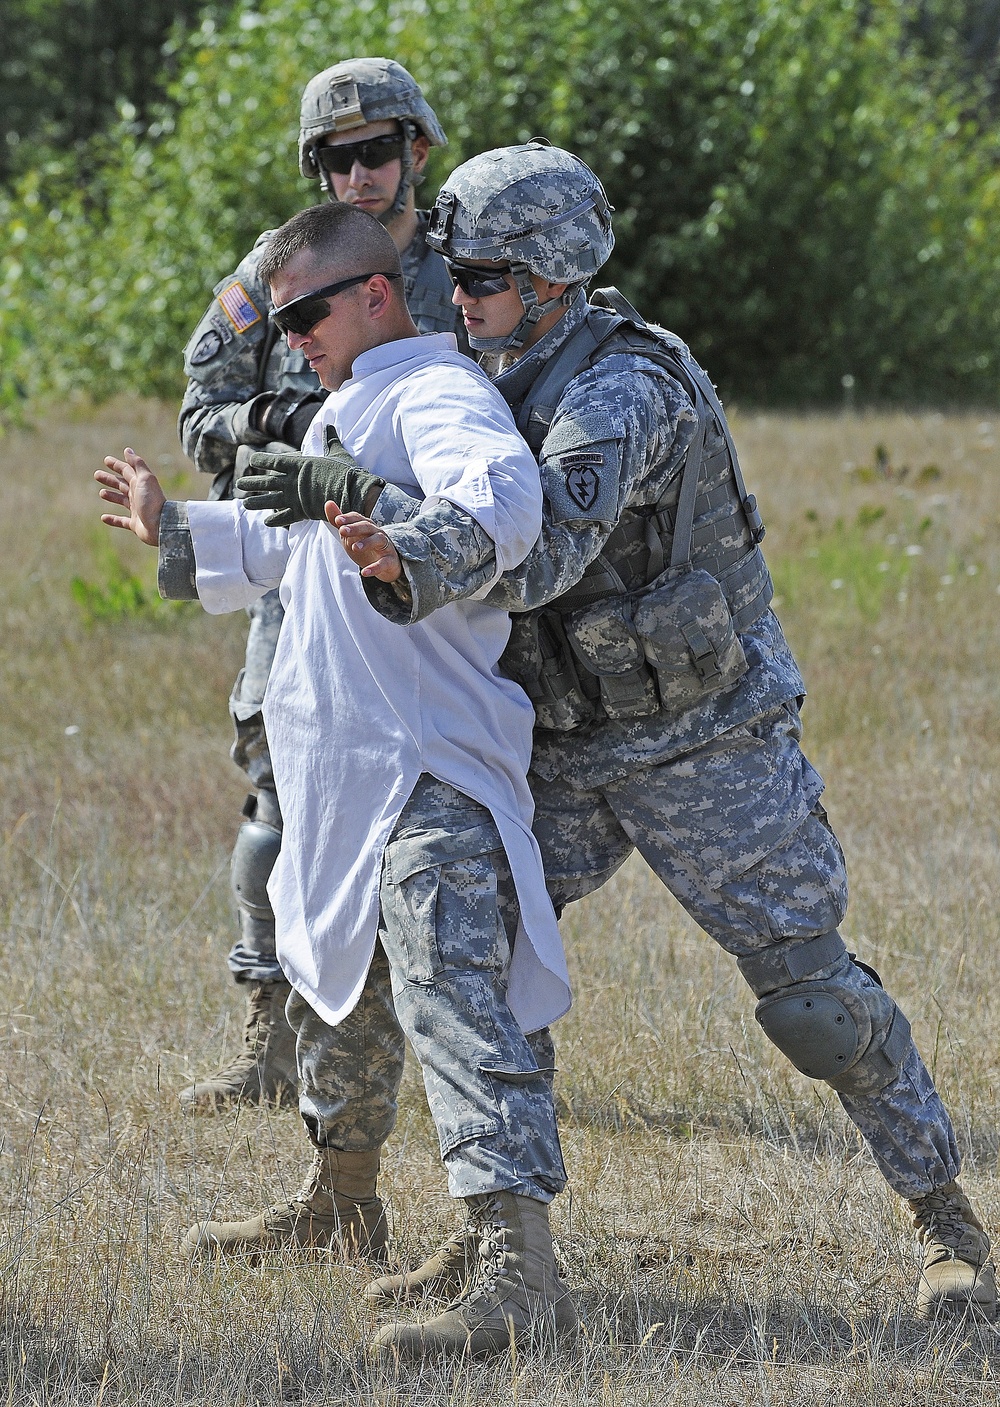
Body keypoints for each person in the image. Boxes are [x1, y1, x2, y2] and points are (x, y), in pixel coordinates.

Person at [249, 143, 996, 1324]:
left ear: (554, 276)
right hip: (561, 743)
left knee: (811, 997)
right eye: (456, 268)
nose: (465, 292)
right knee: (450, 940)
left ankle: (947, 1226)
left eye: (487, 273)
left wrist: (360, 503)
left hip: (708, 737)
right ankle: (494, 1249)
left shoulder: (620, 393)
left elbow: (536, 556)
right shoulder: (478, 370)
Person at [97, 199, 578, 1359]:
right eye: (278, 316)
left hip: (426, 766)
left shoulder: (436, 394)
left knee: (456, 1007)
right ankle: (342, 1205)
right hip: (342, 768)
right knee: (343, 998)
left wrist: (382, 523)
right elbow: (275, 547)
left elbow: (502, 508)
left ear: (375, 295)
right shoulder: (338, 410)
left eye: (308, 310)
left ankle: (520, 1275)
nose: (291, 333)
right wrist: (178, 524)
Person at [175, 57, 464, 1111]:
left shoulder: (475, 256)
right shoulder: (278, 271)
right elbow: (199, 411)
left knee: (457, 811)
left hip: (445, 586)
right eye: (334, 159)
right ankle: (271, 1041)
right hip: (307, 580)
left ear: (416, 150)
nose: (358, 176)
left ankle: (461, 1038)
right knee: (277, 806)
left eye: (376, 152)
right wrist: (280, 428)